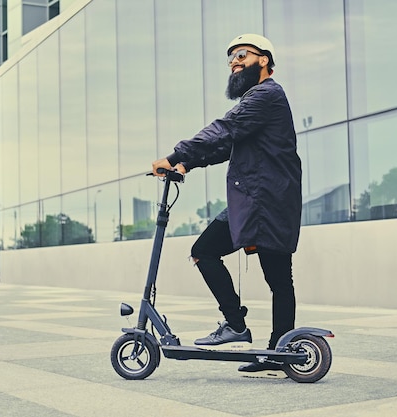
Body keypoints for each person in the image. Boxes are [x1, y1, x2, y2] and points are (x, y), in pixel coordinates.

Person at [152, 34, 302, 374]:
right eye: (230, 57)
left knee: (277, 278)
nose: (234, 61)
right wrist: (187, 164)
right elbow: (227, 145)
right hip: (255, 198)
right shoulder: (258, 100)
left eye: (242, 54)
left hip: (266, 200)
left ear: (263, 60)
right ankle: (245, 329)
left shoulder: (266, 95)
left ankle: (276, 347)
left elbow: (225, 128)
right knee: (207, 252)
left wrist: (176, 154)